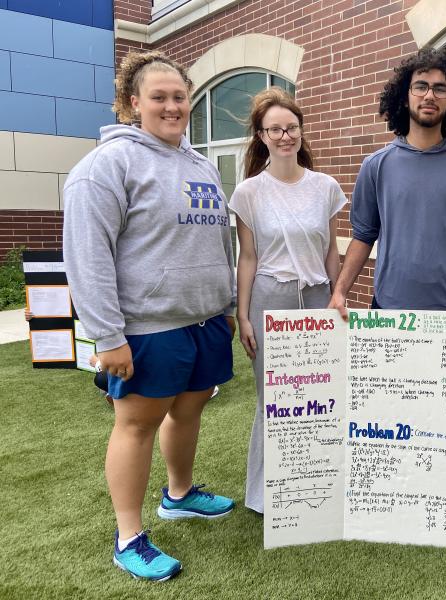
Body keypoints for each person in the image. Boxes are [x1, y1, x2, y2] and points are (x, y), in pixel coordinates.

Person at [63, 51, 236, 581]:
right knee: (137, 425)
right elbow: (87, 255)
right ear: (133, 102)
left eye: (179, 96)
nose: (172, 106)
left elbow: (219, 241)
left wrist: (226, 305)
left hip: (204, 321)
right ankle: (129, 537)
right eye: (158, 97)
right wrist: (107, 335)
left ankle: (179, 495)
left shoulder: (202, 165)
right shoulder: (107, 165)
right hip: (147, 326)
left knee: (189, 411)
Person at [328, 43, 446, 319]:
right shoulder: (376, 165)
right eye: (421, 86)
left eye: (440, 89)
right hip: (391, 309)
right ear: (405, 97)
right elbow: (363, 236)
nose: (430, 95)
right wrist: (340, 291)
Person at [229, 88, 346, 514]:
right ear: (261, 135)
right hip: (269, 299)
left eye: (291, 127)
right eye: (275, 129)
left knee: (319, 392)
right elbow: (248, 257)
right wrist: (243, 315)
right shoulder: (249, 193)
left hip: (317, 299)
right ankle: (266, 495)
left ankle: (316, 485)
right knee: (274, 397)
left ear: (301, 131)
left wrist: (338, 295)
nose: (285, 136)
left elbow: (330, 251)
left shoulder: (325, 187)